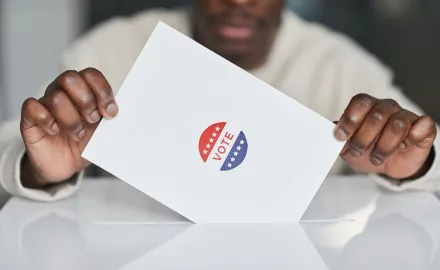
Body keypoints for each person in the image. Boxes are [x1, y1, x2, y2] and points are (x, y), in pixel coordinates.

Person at [0, 0, 439, 202]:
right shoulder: (113, 48)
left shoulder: (336, 64)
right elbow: (11, 146)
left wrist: (414, 164)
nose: (237, 4)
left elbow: (426, 153)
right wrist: (37, 170)